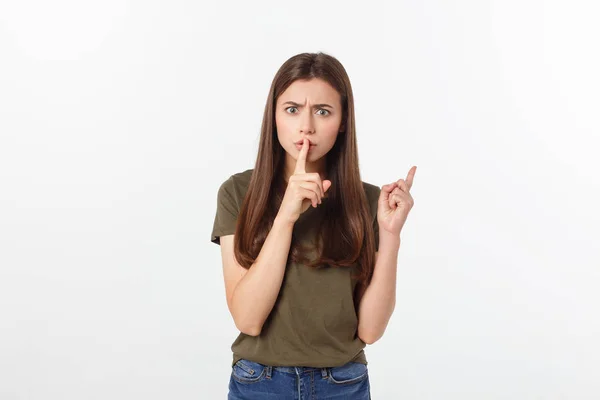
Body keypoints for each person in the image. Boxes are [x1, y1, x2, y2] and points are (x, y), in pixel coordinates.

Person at [210, 52, 416, 400]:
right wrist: (287, 215)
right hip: (259, 382)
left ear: (342, 121)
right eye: (292, 109)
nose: (306, 125)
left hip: (343, 384)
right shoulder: (237, 193)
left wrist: (391, 234)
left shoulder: (367, 202)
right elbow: (248, 320)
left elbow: (371, 329)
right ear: (274, 117)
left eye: (323, 111)